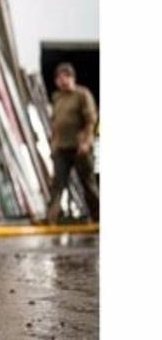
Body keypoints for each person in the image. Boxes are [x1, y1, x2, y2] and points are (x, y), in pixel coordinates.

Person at [45, 62, 99, 223]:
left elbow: (91, 120)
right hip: (61, 148)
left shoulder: (82, 95)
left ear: (72, 78)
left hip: (79, 147)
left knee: (88, 185)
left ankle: (98, 216)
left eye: (65, 77)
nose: (62, 81)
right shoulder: (57, 98)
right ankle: (51, 219)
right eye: (59, 78)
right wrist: (53, 145)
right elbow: (55, 123)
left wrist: (86, 142)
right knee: (57, 185)